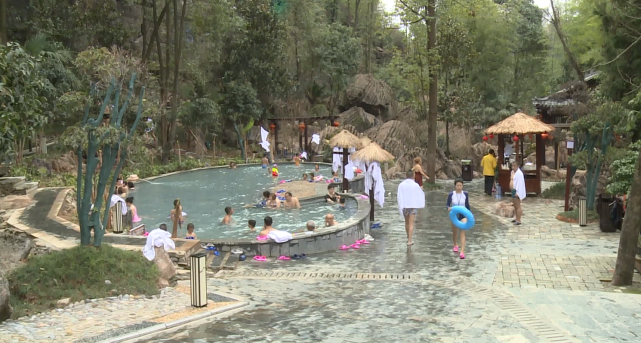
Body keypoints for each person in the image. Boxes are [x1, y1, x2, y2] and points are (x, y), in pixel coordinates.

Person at [397, 170, 426, 246]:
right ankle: (410, 240)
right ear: (413, 175)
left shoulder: (401, 185)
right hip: (412, 206)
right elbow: (420, 193)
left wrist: (400, 205)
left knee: (406, 223)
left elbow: (399, 196)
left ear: (406, 175)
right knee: (411, 223)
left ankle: (408, 237)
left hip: (405, 206)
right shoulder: (415, 185)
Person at [446, 179, 471, 259]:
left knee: (463, 232)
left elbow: (467, 205)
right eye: (458, 186)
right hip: (454, 215)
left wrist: (469, 215)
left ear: (462, 186)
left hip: (463, 215)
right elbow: (447, 205)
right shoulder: (451, 194)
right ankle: (455, 244)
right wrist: (449, 208)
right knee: (454, 231)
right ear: (455, 186)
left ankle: (462, 251)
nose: (459, 187)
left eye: (460, 185)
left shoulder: (465, 194)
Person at [511, 161, 526, 226]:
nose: (513, 167)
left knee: (518, 206)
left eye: (514, 166)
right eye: (512, 166)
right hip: (513, 190)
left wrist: (518, 192)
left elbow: (520, 183)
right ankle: (516, 218)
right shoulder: (512, 172)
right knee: (515, 205)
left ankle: (519, 220)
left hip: (517, 191)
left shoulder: (520, 174)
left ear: (518, 166)